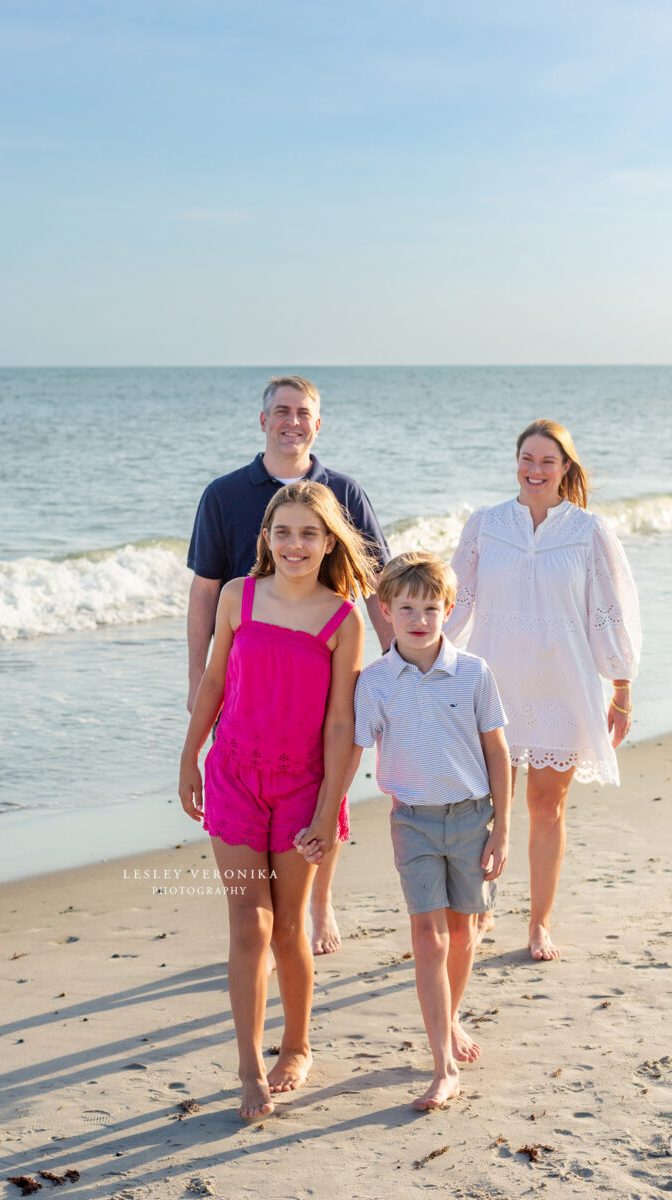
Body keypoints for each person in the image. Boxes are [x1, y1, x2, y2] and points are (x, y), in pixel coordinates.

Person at [179, 481, 374, 1119]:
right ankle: (248, 1066)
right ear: (266, 538)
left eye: (308, 534)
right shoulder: (239, 596)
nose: (294, 545)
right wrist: (189, 758)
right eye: (283, 532)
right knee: (248, 924)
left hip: (303, 789)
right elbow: (212, 681)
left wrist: (328, 809)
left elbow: (342, 725)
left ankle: (297, 1045)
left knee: (289, 928)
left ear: (328, 543)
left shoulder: (343, 618)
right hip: (234, 775)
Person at [187, 375, 391, 955]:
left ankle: (316, 901)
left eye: (303, 413)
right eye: (281, 411)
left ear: (317, 424)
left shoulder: (345, 493)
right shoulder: (223, 495)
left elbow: (376, 584)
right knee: (246, 790)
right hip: (250, 666)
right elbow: (205, 592)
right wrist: (198, 676)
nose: (292, 422)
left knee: (328, 782)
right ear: (263, 421)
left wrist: (400, 669)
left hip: (325, 665)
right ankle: (261, 922)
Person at [445, 418, 641, 962]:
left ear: (565, 468)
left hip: (563, 685)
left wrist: (621, 688)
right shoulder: (484, 524)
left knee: (546, 807)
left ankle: (539, 925)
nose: (535, 470)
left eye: (547, 461)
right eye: (526, 459)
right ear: (516, 462)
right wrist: (420, 661)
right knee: (487, 806)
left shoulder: (589, 531)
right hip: (495, 684)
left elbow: (610, 612)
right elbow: (455, 601)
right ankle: (480, 909)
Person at [344, 551, 511, 1111]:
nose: (419, 618)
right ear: (386, 610)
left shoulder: (474, 672)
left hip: (473, 818)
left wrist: (503, 829)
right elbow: (351, 748)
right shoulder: (373, 681)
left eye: (431, 607)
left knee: (464, 935)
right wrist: (326, 812)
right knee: (428, 938)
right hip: (412, 821)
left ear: (449, 609)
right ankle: (442, 1064)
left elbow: (497, 750)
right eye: (407, 607)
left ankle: (451, 1017)